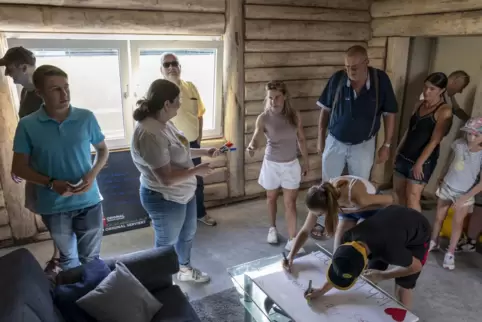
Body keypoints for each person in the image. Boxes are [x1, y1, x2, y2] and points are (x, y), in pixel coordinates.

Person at [11, 65, 109, 270]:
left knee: (91, 259)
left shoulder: (86, 117)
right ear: (39, 93)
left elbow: (102, 150)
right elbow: (19, 168)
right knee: (68, 260)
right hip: (54, 206)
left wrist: (92, 174)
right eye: (55, 89)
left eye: (66, 87)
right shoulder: (27, 125)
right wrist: (51, 183)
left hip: (89, 201)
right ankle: (73, 299)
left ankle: (93, 297)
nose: (64, 94)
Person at [131, 79, 221, 283]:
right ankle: (162, 283)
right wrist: (197, 170)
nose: (180, 104)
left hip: (184, 193)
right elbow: (166, 179)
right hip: (165, 197)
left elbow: (180, 149)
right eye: (178, 100)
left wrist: (204, 151)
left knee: (187, 233)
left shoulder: (164, 123)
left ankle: (184, 270)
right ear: (166, 104)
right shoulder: (149, 134)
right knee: (166, 242)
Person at [312, 45, 398, 239]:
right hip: (335, 140)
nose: (350, 71)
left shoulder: (380, 81)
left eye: (355, 67)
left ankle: (356, 220)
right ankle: (324, 220)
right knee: (327, 183)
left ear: (366, 62)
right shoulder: (337, 79)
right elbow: (324, 110)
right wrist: (320, 138)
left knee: (359, 184)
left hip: (364, 144)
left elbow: (389, 114)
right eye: (347, 67)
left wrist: (387, 145)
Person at [284, 205, 431, 310]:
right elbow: (341, 267)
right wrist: (321, 291)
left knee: (403, 284)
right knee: (372, 274)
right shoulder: (347, 237)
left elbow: (415, 266)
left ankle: (404, 316)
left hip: (417, 232)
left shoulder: (391, 251)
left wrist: (383, 275)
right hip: (390, 224)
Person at [0, 46, 61, 274]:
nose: (7, 73)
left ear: (23, 67)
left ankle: (61, 258)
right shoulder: (26, 93)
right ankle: (60, 255)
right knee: (47, 212)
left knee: (56, 213)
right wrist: (21, 161)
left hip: (49, 166)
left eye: (10, 67)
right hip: (34, 164)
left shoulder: (45, 94)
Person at [246, 80, 309, 251]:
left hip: (291, 164)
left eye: (277, 97)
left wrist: (306, 162)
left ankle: (292, 238)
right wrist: (252, 146)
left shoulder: (294, 115)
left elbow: (301, 139)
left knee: (290, 203)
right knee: (271, 198)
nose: (274, 101)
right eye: (270, 98)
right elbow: (256, 137)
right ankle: (272, 228)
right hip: (271, 164)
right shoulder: (264, 117)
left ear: (285, 96)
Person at [160, 52, 216, 227]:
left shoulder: (190, 87)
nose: (171, 67)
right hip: (170, 148)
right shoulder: (157, 91)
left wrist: (199, 137)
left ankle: (200, 213)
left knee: (197, 181)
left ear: (180, 66)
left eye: (174, 63)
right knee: (175, 183)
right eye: (167, 64)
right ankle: (177, 219)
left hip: (192, 144)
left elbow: (199, 114)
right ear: (161, 69)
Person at [393, 72, 453, 211]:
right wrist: (397, 151)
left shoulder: (444, 110)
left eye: (432, 89)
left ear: (442, 90)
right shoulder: (418, 104)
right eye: (425, 87)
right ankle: (399, 226)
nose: (427, 91)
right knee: (398, 193)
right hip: (404, 154)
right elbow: (409, 131)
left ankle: (416, 230)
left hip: (423, 160)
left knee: (413, 197)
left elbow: (435, 140)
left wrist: (419, 163)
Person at [429, 117, 482, 270]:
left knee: (457, 224)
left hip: (464, 193)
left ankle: (450, 252)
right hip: (447, 185)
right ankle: (434, 240)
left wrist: (465, 197)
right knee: (439, 216)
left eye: (475, 135)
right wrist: (442, 174)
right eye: (469, 134)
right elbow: (450, 161)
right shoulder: (459, 144)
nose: (471, 138)